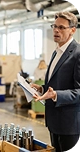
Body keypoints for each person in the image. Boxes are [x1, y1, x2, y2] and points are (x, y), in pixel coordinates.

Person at [32, 12, 80, 152]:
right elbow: (56, 84)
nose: (56, 30)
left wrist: (56, 95)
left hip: (71, 125)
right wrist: (41, 89)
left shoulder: (77, 54)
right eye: (54, 26)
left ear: (72, 30)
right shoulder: (56, 52)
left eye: (61, 27)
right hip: (55, 123)